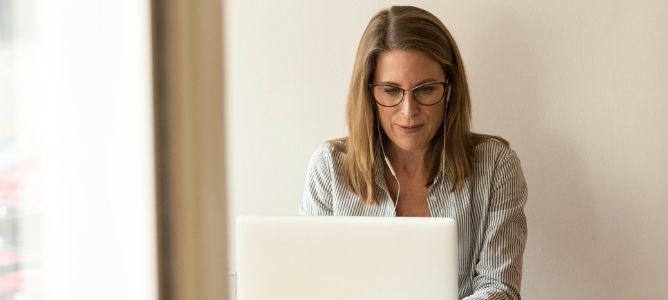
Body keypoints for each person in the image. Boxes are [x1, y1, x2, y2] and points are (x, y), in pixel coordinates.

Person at [300, 5, 527, 300]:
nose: (409, 112)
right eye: (391, 91)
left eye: (425, 90)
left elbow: (500, 289)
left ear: (449, 89)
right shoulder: (329, 168)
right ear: (369, 93)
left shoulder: (496, 165)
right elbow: (311, 284)